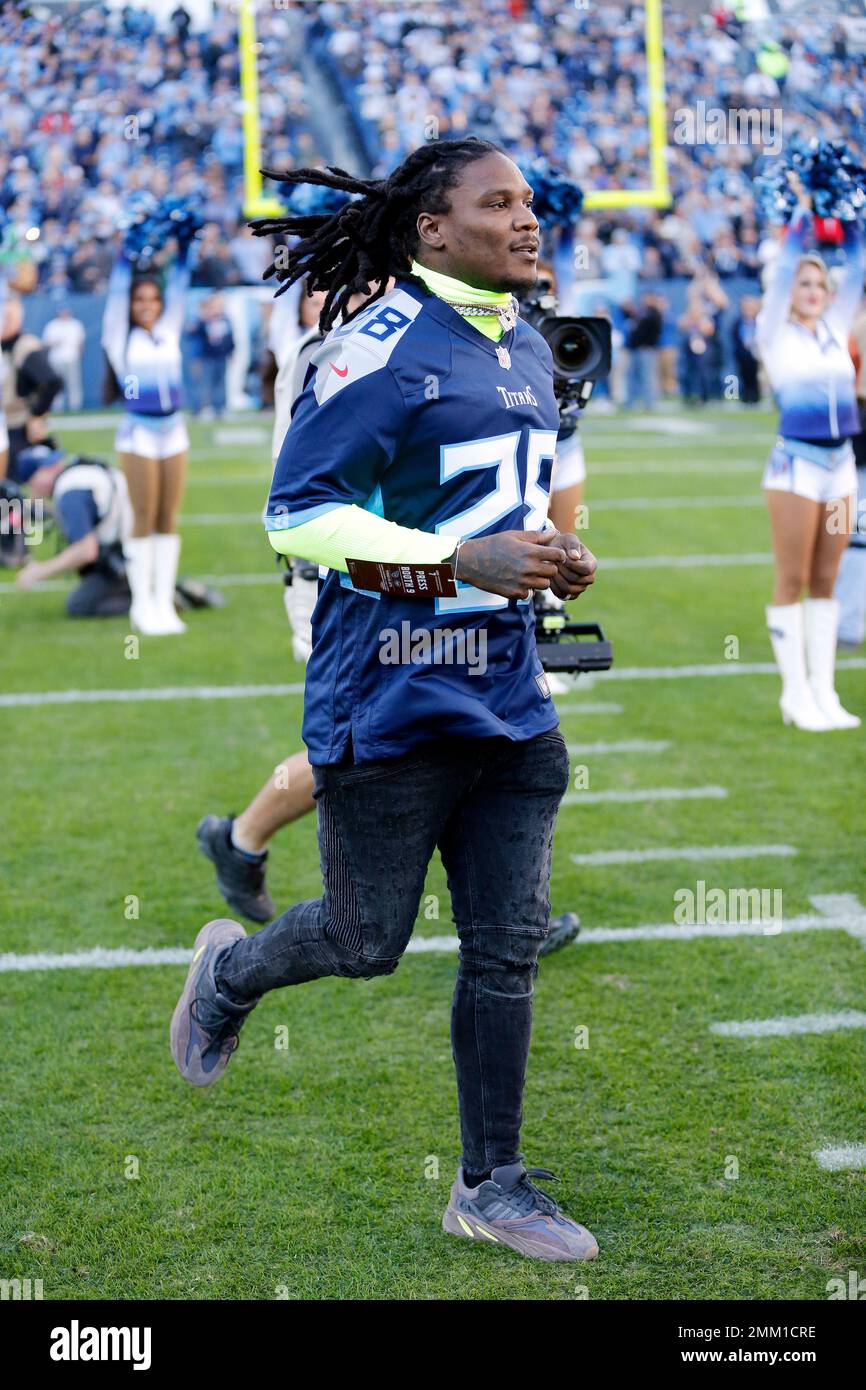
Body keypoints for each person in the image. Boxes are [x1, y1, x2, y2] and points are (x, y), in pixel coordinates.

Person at [172, 137, 600, 1263]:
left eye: (527, 200)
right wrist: (458, 562)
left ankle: (488, 1182)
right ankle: (228, 971)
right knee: (367, 940)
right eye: (496, 203)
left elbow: (494, 510)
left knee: (505, 947)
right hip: (393, 692)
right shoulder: (373, 348)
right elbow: (299, 517)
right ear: (429, 226)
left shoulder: (518, 345)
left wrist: (549, 555)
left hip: (506, 693)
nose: (526, 219)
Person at [757, 174, 864, 729]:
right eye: (803, 283)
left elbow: (860, 260)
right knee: (792, 578)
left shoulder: (833, 329)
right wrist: (802, 211)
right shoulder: (773, 330)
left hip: (841, 468)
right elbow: (784, 270)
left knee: (827, 580)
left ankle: (825, 692)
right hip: (795, 465)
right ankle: (794, 695)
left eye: (820, 284)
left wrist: (848, 206)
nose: (814, 291)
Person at [101, 240, 192, 635]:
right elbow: (117, 296)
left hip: (174, 431)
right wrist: (125, 252)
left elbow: (181, 289)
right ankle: (141, 605)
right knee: (142, 516)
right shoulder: (119, 337)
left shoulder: (169, 331)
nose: (147, 305)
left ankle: (162, 601)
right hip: (138, 434)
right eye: (140, 299)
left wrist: (185, 248)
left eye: (153, 298)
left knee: (167, 518)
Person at [14, 443, 133, 617]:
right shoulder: (79, 475)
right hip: (140, 546)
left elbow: (86, 551)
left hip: (127, 558)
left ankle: (147, 598)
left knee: (79, 605)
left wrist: (39, 572)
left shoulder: (70, 492)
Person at [1, 292, 63, 481]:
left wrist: (36, 415)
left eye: (8, 317)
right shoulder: (5, 345)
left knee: (13, 486)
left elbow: (52, 381)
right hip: (8, 421)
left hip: (18, 423)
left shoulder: (25, 346)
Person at [834, 297, 866, 647]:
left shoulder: (855, 326)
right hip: (852, 447)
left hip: (853, 447)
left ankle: (846, 624)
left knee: (850, 538)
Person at [186, 294, 235, 419]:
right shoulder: (203, 322)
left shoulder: (225, 320)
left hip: (221, 357)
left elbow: (230, 339)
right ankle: (201, 408)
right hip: (207, 358)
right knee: (205, 384)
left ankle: (220, 408)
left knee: (220, 384)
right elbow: (193, 334)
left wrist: (231, 351)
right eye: (213, 306)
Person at [42, 306, 86, 412]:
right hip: (56, 359)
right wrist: (55, 343)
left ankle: (75, 407)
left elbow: (81, 343)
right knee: (57, 385)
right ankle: (57, 407)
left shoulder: (76, 325)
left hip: (72, 358)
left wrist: (79, 355)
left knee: (73, 383)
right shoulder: (52, 326)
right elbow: (46, 343)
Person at [732, 294, 761, 405]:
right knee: (743, 375)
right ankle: (744, 396)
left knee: (755, 376)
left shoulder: (759, 322)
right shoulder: (737, 323)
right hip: (742, 353)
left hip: (756, 353)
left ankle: (755, 397)